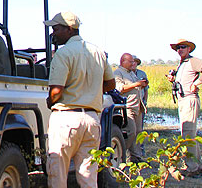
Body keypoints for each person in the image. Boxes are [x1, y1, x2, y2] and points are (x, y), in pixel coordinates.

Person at [45, 11, 115, 188]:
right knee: (88, 174)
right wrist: (89, 91)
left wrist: (50, 101)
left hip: (67, 118)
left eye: (56, 29)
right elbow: (111, 84)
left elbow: (56, 91)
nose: (53, 33)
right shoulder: (98, 52)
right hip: (92, 119)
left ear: (69, 29)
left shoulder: (63, 54)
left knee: (58, 171)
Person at [166, 38, 202, 178]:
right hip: (183, 99)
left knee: (187, 136)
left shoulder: (193, 61)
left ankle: (192, 168)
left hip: (189, 99)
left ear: (189, 49)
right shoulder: (182, 64)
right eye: (178, 48)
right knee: (189, 135)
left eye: (182, 47)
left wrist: (197, 83)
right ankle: (198, 166)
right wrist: (173, 80)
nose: (179, 50)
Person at [113, 53, 148, 163]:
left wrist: (142, 84)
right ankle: (120, 155)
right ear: (123, 61)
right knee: (131, 132)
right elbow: (120, 89)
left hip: (137, 107)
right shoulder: (118, 73)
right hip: (127, 107)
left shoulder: (132, 73)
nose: (133, 63)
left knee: (138, 133)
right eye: (131, 61)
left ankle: (136, 157)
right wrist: (137, 84)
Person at [132, 56, 148, 155]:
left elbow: (146, 89)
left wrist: (145, 101)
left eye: (135, 62)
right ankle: (133, 151)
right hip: (131, 105)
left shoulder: (142, 74)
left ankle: (140, 149)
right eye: (131, 62)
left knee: (140, 129)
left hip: (140, 104)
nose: (133, 64)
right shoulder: (124, 74)